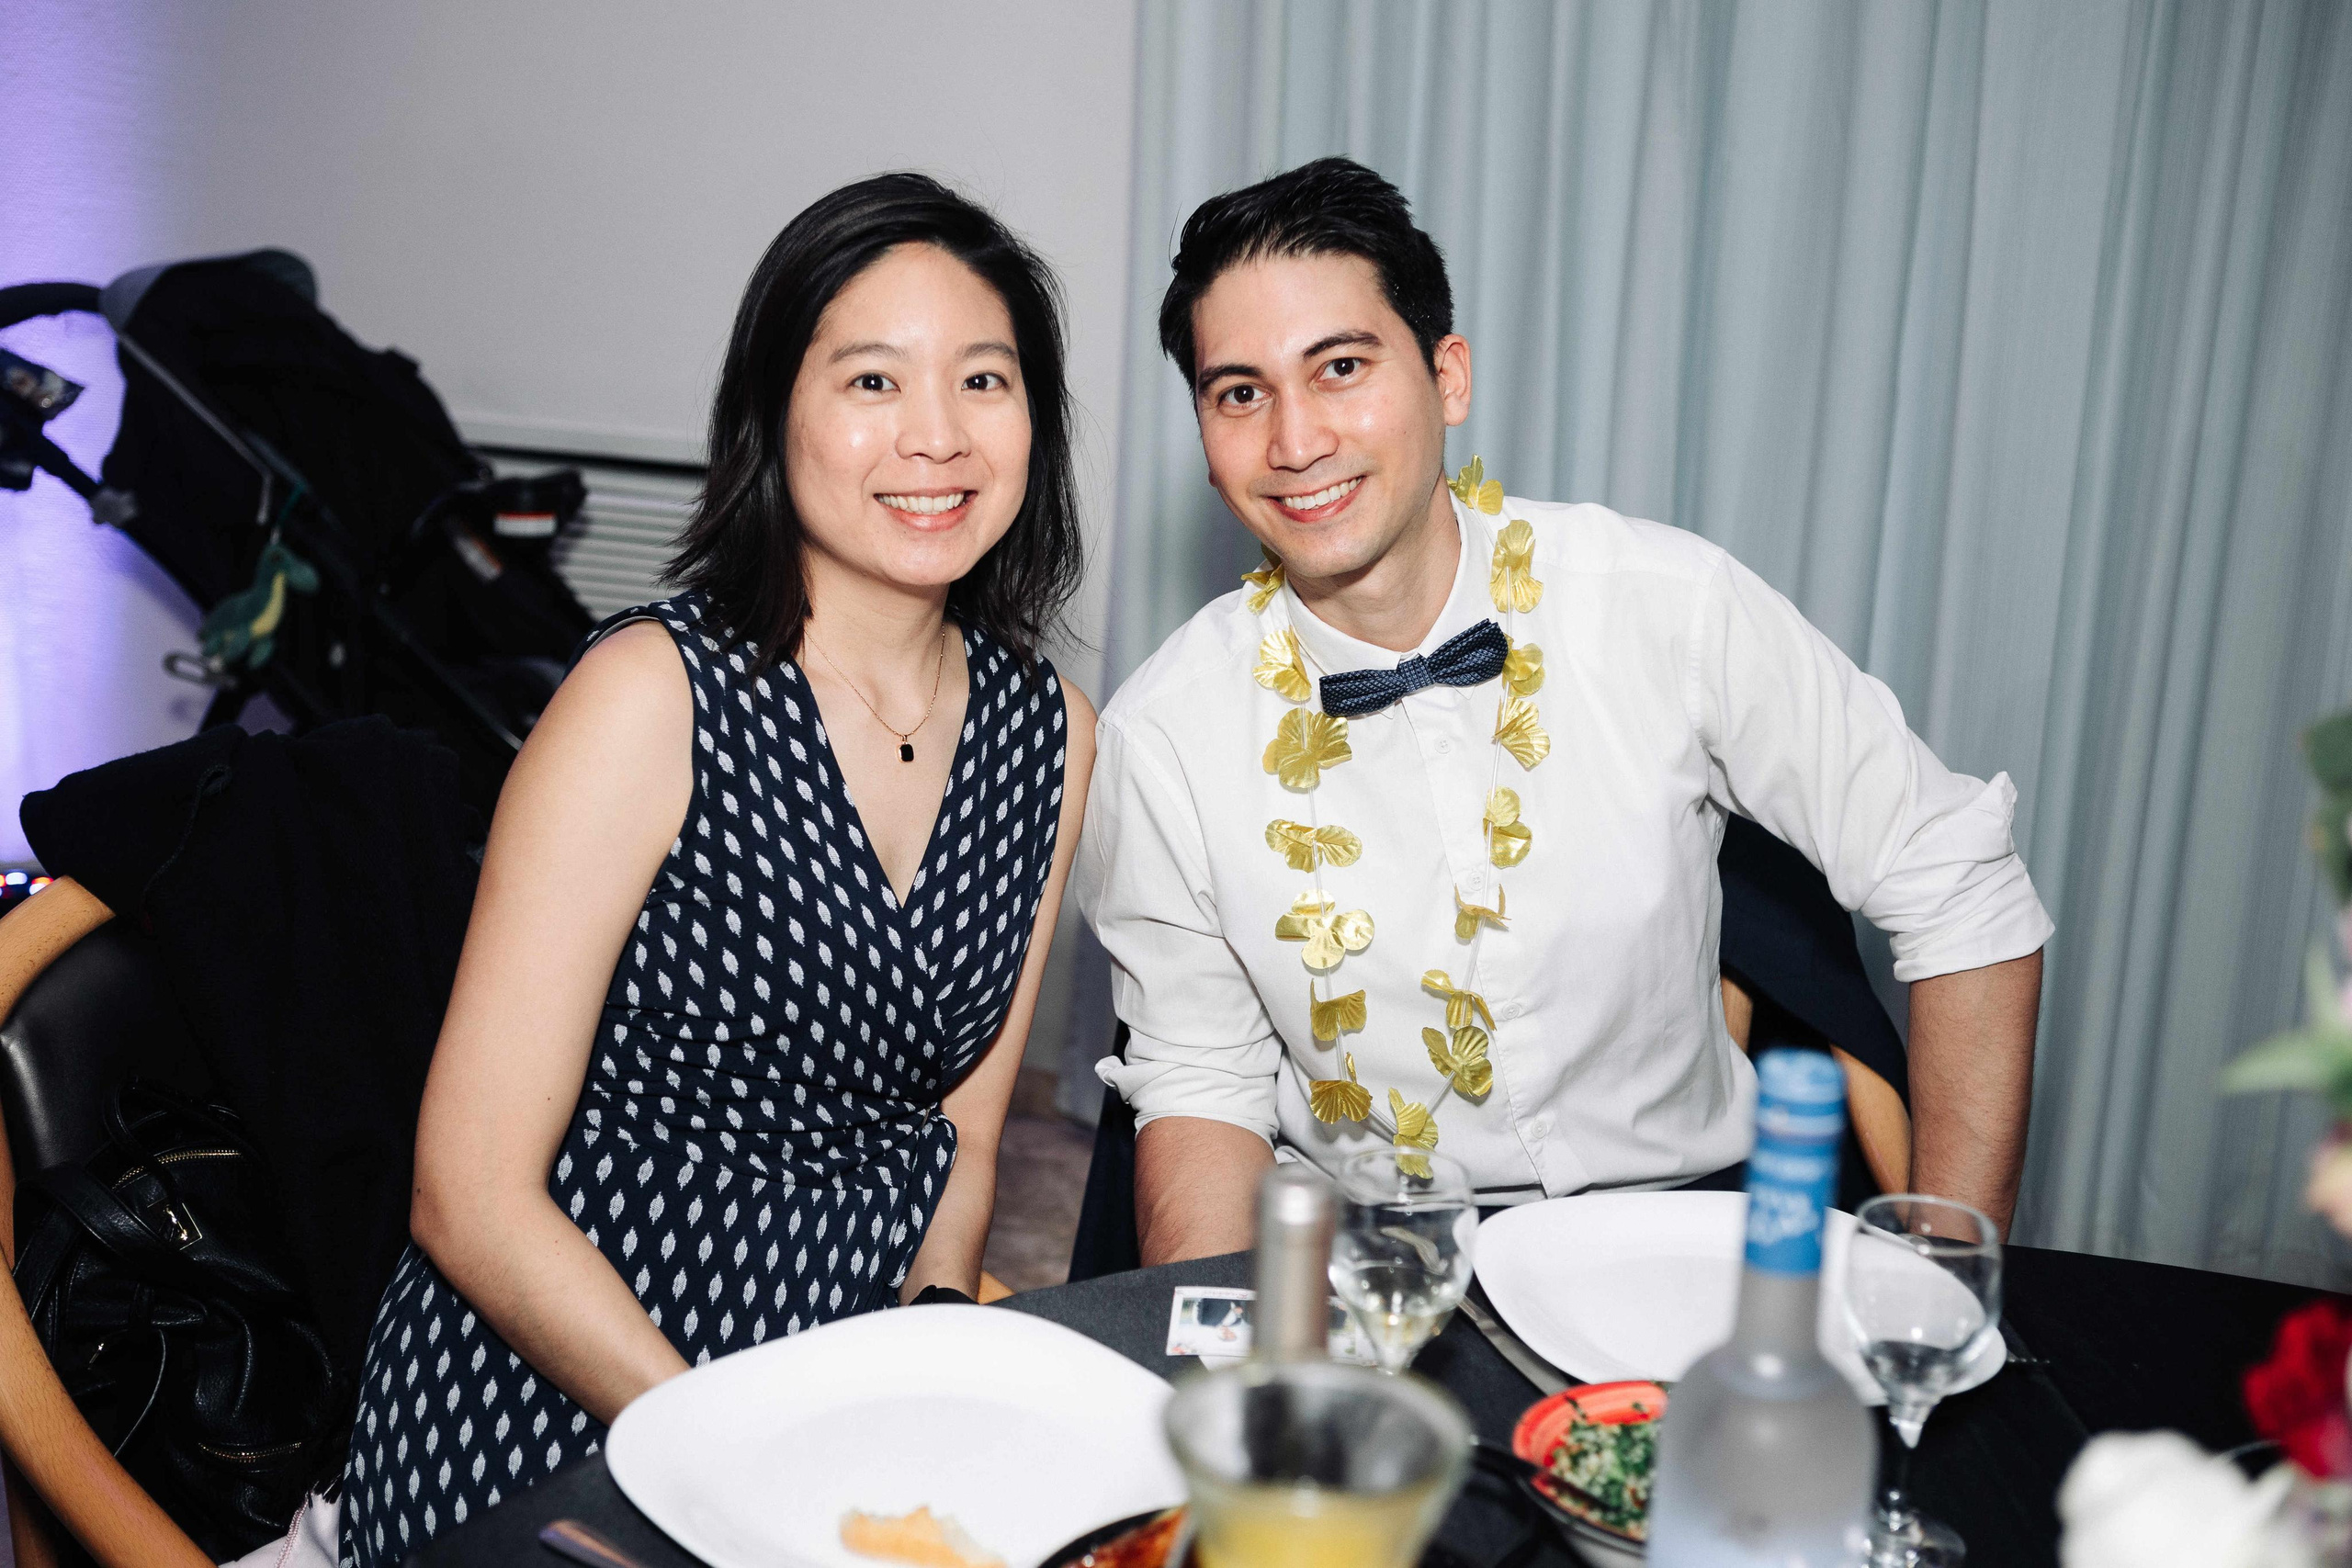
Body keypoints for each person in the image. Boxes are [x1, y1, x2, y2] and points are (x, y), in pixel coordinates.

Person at [1077, 158, 2050, 1267]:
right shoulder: (1164, 737)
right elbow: (1201, 1089)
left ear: (1448, 377)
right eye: (1239, 393)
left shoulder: (1667, 607)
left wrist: (1944, 1286)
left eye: (1340, 367)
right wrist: (1232, 1374)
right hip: (1378, 1268)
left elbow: (1959, 883)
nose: (1294, 441)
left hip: (1695, 1236)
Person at [340, 174, 1093, 1564]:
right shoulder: (649, 694)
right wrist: (735, 1457)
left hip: (833, 1401)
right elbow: (471, 1192)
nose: (935, 434)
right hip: (566, 1394)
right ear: (774, 413)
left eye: (982, 379)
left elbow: (966, 1143)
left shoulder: (1050, 730)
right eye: (873, 377)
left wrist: (912, 1391)